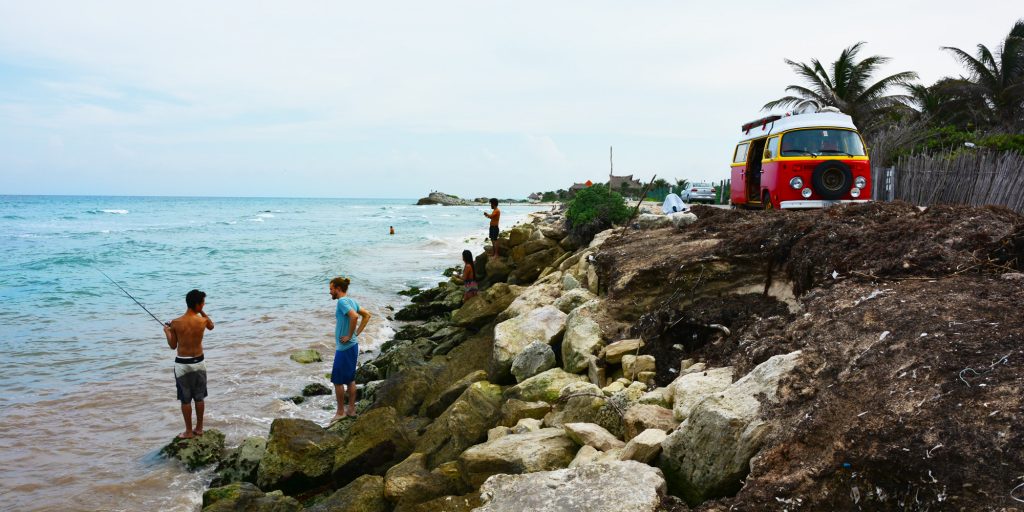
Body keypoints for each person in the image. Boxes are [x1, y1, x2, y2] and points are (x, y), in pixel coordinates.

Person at [162, 289, 214, 439]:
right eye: (203, 303)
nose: (204, 305)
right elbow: (211, 326)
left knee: (185, 399)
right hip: (198, 362)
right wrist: (202, 313)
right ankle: (199, 428)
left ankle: (188, 432)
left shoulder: (176, 323)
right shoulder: (202, 321)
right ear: (198, 305)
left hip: (182, 364)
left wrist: (167, 331)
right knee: (199, 397)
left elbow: (173, 346)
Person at [328, 276, 371, 425]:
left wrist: (350, 334)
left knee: (337, 381)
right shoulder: (352, 301)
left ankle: (341, 412)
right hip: (353, 346)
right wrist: (356, 334)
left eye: (331, 289)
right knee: (350, 379)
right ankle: (351, 410)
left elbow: (354, 317)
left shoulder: (342, 302)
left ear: (338, 289)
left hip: (345, 347)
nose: (330, 292)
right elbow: (367, 315)